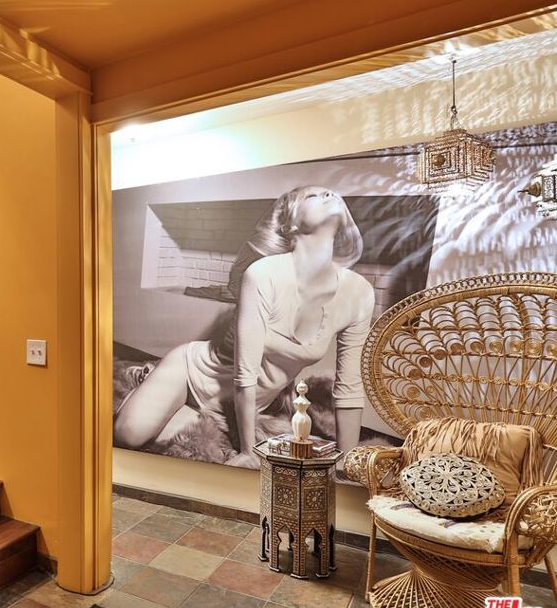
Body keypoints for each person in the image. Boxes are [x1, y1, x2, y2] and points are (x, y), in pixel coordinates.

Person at [114, 186, 375, 468]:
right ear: (291, 225)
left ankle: (193, 414)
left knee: (179, 432)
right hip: (194, 373)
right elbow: (245, 374)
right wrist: (249, 450)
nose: (329, 195)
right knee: (129, 434)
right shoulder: (262, 274)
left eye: (332, 194)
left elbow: (349, 388)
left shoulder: (358, 292)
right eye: (313, 196)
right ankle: (152, 380)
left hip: (254, 402)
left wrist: (348, 463)